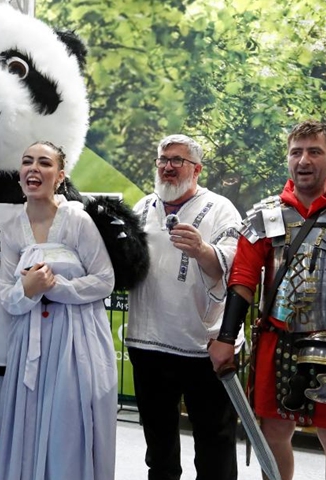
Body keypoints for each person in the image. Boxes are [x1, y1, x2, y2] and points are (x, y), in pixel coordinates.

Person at [209, 121, 326, 480]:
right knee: (274, 435)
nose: (304, 160)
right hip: (276, 340)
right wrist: (226, 337)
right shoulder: (264, 216)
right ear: (287, 158)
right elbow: (242, 280)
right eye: (296, 151)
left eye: (314, 151)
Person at [0, 141, 117, 480]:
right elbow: (7, 294)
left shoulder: (77, 220)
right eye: (27, 161)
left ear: (60, 176)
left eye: (44, 163)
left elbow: (104, 279)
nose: (34, 168)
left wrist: (56, 288)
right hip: (29, 345)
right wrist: (28, 290)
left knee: (69, 427)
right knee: (28, 423)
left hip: (75, 340)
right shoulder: (11, 227)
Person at [125, 134, 242, 480]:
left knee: (214, 439)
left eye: (177, 161)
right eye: (163, 159)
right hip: (146, 342)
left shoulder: (221, 208)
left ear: (197, 169)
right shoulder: (143, 207)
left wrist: (203, 251)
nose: (168, 167)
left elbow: (236, 269)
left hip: (200, 345)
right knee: (157, 440)